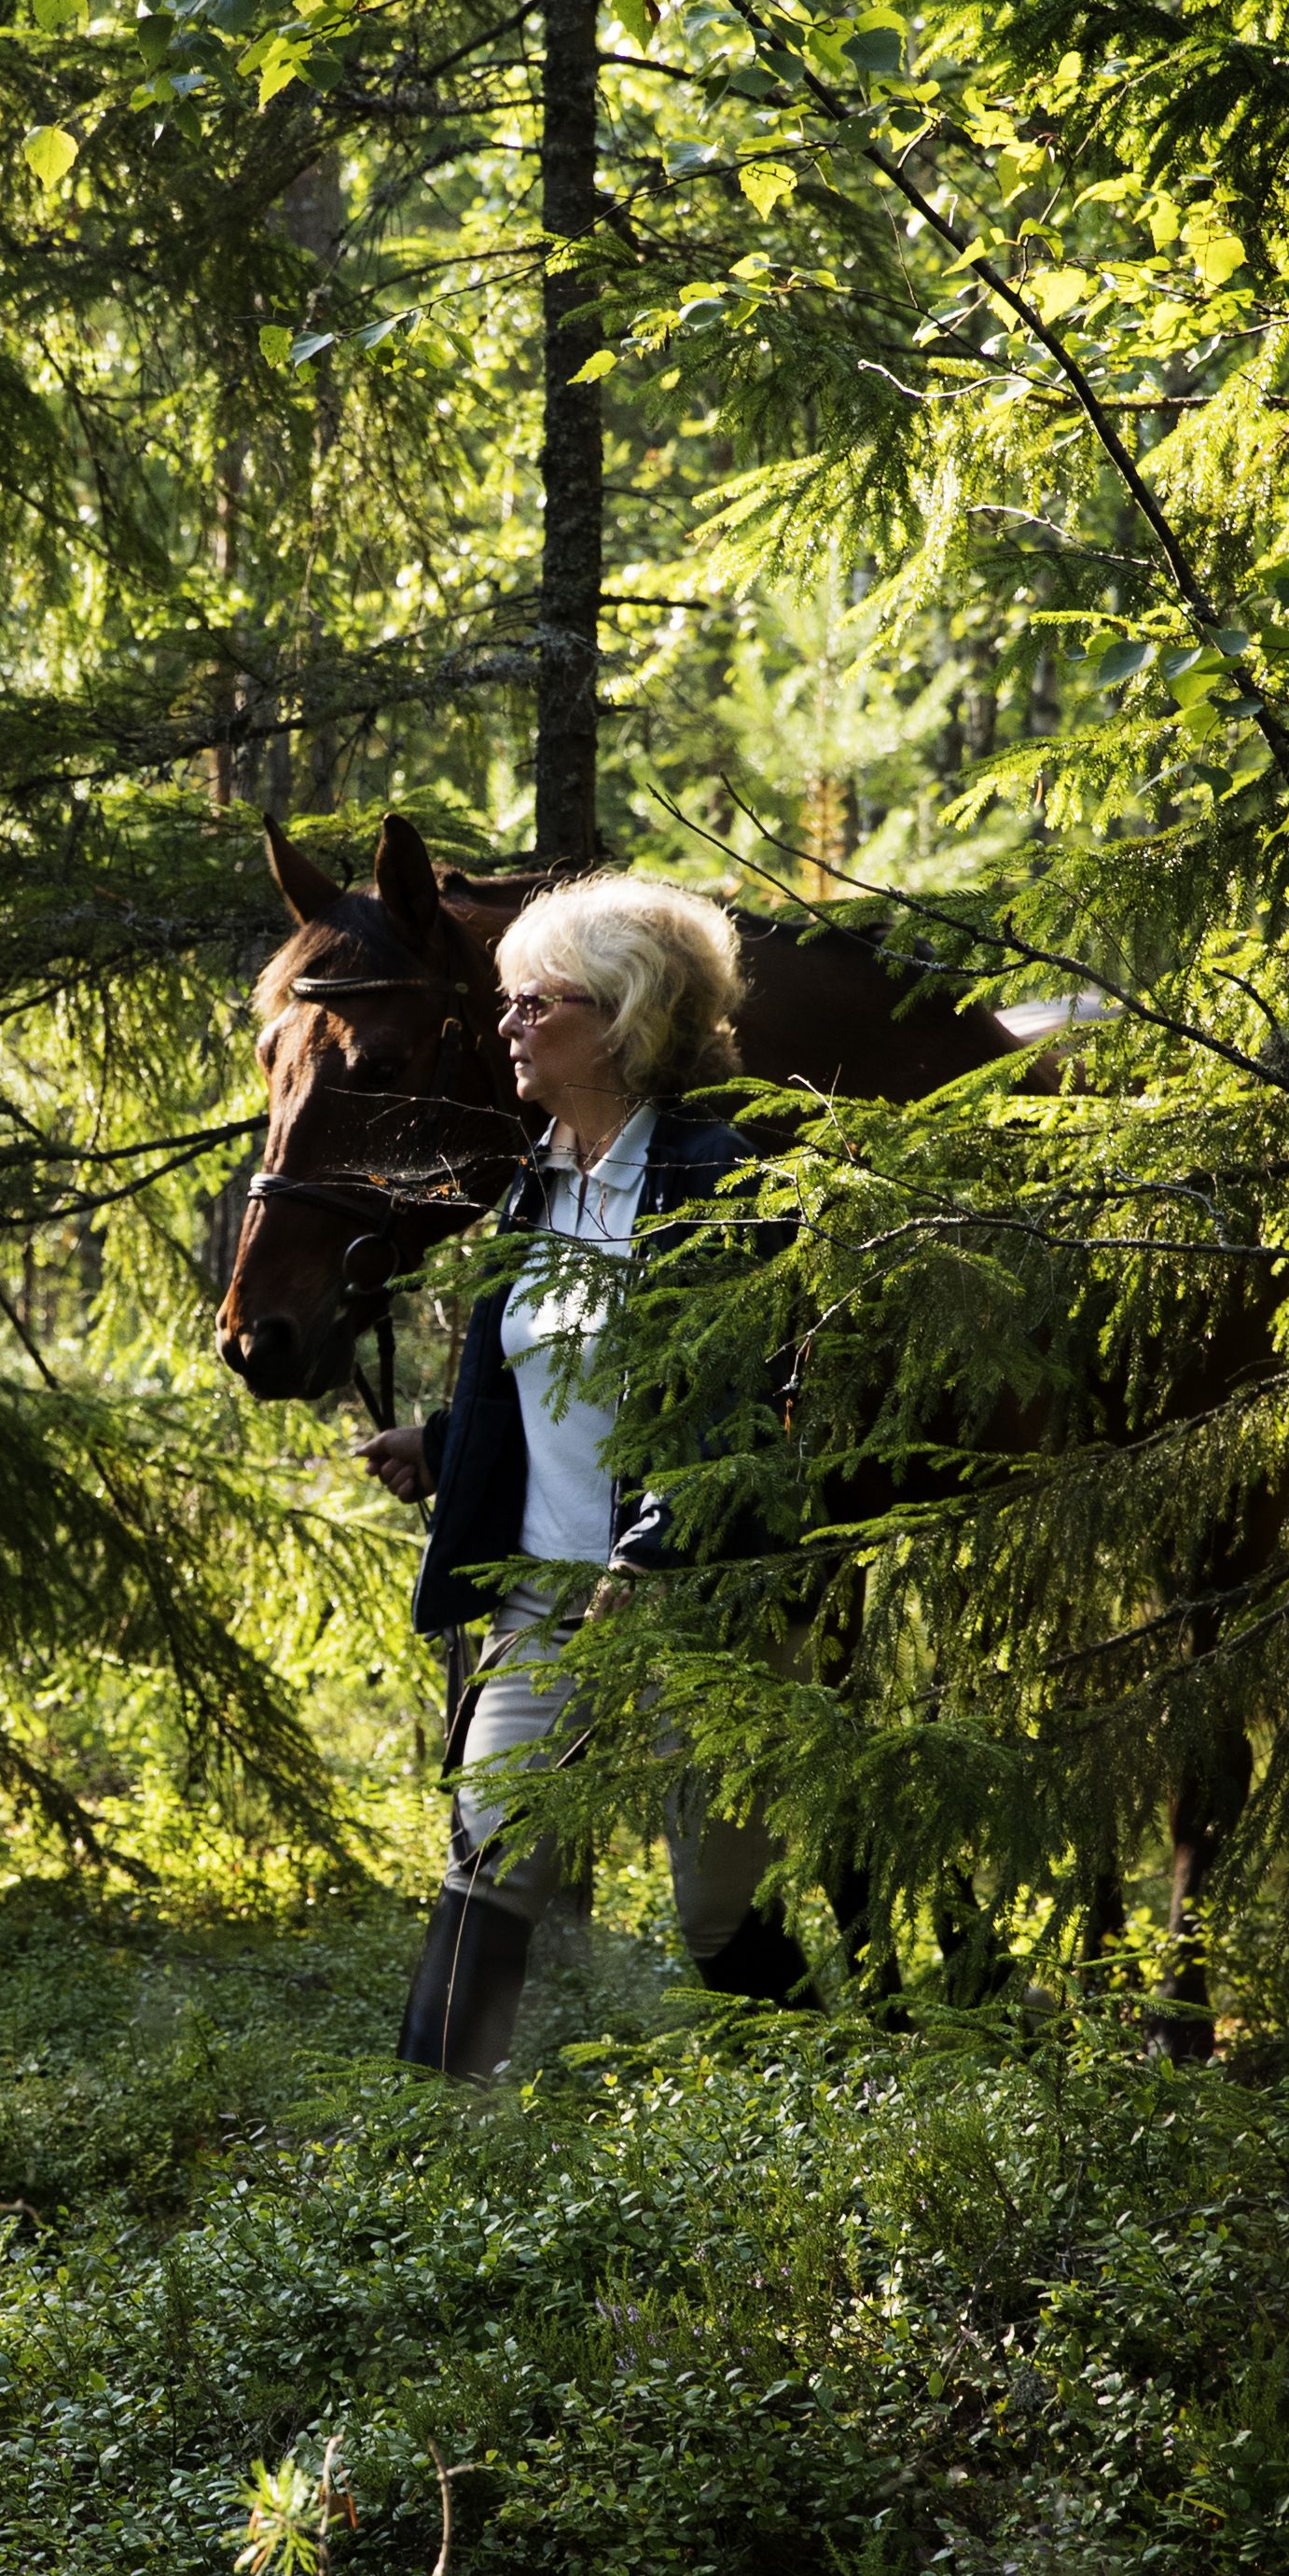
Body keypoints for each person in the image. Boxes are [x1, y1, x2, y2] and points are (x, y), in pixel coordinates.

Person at [357, 867, 802, 2076]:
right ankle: (435, 2139)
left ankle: (822, 2115)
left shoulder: (720, 1179)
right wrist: (443, 1447)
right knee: (488, 1864)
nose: (506, 1025)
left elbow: (738, 1397)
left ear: (622, 1017)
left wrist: (654, 1556)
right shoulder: (534, 1188)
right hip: (545, 1596)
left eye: (531, 1003)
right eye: (507, 1005)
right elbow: (547, 1380)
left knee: (716, 1910)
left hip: (696, 1603)